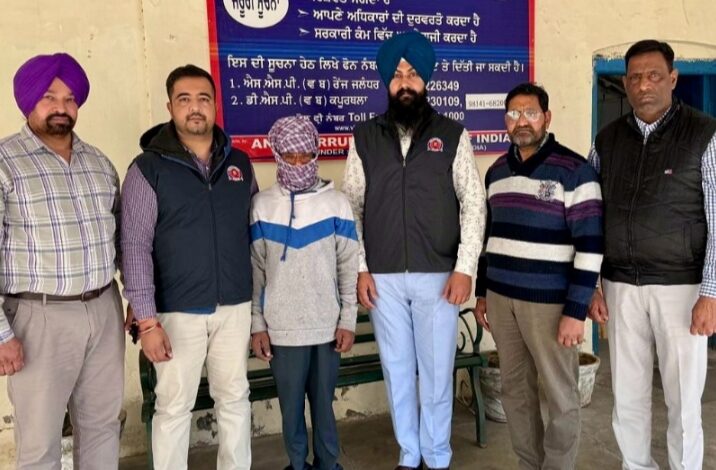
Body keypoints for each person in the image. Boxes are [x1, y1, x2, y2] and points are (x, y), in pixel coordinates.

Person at [342, 30, 486, 470]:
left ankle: (437, 456)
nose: (405, 82)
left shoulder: (453, 135)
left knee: (437, 371)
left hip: (440, 275)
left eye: (413, 74)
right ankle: (409, 453)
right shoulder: (364, 137)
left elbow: (473, 203)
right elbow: (352, 207)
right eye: (397, 74)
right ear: (386, 82)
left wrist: (465, 268)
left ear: (427, 80)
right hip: (382, 277)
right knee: (397, 369)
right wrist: (361, 268)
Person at [588, 39, 716, 470]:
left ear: (673, 79)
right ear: (625, 83)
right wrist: (593, 284)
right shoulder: (607, 140)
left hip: (682, 288)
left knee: (683, 400)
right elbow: (590, 216)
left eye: (654, 76)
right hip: (620, 286)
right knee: (627, 394)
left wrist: (711, 293)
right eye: (635, 77)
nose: (644, 85)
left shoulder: (704, 134)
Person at [121, 64, 257, 470]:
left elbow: (253, 234)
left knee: (235, 398)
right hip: (176, 311)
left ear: (215, 105)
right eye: (184, 99)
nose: (195, 107)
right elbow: (134, 247)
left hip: (234, 305)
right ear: (170, 107)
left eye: (203, 99)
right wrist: (147, 321)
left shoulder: (239, 163)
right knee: (173, 407)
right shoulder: (147, 169)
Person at [0, 52, 125, 469]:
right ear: (28, 101)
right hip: (39, 317)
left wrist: (137, 302)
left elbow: (121, 240)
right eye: (49, 97)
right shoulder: (5, 162)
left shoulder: (99, 163)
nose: (61, 107)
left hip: (104, 309)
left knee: (103, 426)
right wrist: (2, 334)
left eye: (70, 98)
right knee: (40, 441)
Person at [474, 83, 603, 469]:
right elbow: (488, 237)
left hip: (550, 305)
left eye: (530, 113)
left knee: (561, 395)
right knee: (515, 391)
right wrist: (482, 293)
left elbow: (591, 246)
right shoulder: (497, 172)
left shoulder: (575, 171)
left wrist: (575, 311)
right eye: (513, 114)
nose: (522, 121)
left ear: (546, 117)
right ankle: (529, 463)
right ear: (505, 121)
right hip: (502, 301)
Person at [250, 115, 358, 470]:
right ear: (277, 155)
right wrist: (257, 325)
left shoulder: (337, 203)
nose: (298, 164)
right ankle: (297, 465)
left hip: (327, 328)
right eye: (289, 156)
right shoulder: (262, 205)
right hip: (281, 330)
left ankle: (329, 464)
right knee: (291, 408)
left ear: (316, 154)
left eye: (305, 155)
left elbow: (348, 268)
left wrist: (348, 320)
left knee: (324, 406)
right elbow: (256, 272)